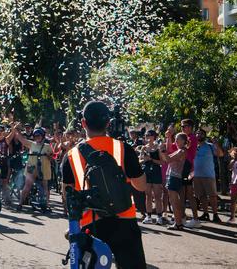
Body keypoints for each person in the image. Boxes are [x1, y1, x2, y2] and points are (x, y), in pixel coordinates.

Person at [61, 101, 146, 269]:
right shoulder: (123, 149)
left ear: (83, 123)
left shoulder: (71, 155)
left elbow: (67, 197)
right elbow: (141, 186)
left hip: (90, 225)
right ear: (108, 123)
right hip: (124, 220)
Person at [15, 126, 52, 211]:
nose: (37, 138)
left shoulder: (47, 146)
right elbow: (22, 140)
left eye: (39, 136)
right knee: (27, 186)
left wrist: (48, 156)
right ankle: (20, 203)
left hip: (43, 168)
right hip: (32, 168)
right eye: (35, 136)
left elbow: (51, 158)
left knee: (45, 186)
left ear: (42, 136)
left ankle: (47, 204)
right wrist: (16, 130)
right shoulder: (32, 144)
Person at [192, 129, 223, 223]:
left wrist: (216, 144)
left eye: (201, 134)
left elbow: (220, 154)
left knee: (212, 196)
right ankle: (205, 213)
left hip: (209, 175)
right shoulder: (193, 146)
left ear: (204, 136)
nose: (199, 135)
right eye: (198, 133)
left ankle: (215, 214)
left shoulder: (209, 146)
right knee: (201, 196)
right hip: (196, 175)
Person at [161, 132, 188, 230]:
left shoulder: (182, 151)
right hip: (173, 176)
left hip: (175, 177)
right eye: (175, 139)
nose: (176, 141)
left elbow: (167, 159)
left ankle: (178, 223)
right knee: (174, 201)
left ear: (184, 141)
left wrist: (162, 151)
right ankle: (179, 222)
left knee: (174, 201)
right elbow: (167, 157)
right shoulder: (179, 150)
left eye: (178, 139)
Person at [140, 130, 165, 225]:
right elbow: (140, 160)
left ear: (154, 136)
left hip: (156, 171)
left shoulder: (158, 148)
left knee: (158, 196)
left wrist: (152, 160)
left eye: (149, 135)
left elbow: (162, 162)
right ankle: (148, 216)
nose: (147, 136)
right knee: (148, 195)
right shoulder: (143, 148)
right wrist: (143, 160)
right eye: (146, 135)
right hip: (146, 172)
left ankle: (159, 217)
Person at [180, 119, 200, 228]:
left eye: (185, 126)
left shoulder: (191, 138)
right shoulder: (187, 137)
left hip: (188, 168)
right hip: (185, 167)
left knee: (188, 194)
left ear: (191, 127)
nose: (182, 128)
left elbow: (184, 149)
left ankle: (195, 219)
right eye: (182, 126)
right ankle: (182, 217)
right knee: (183, 194)